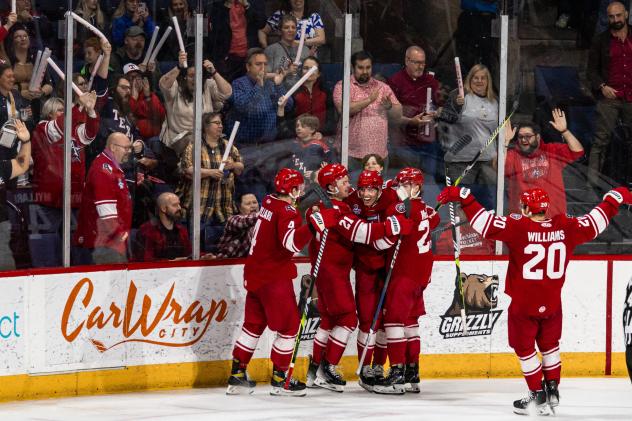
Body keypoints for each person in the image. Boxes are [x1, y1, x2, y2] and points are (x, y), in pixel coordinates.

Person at [437, 184, 632, 415]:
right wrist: (613, 199)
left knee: (524, 348)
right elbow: (594, 222)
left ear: (528, 208)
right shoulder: (565, 226)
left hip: (524, 305)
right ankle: (552, 391)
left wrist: (465, 197)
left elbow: (485, 224)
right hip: (552, 303)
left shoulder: (519, 227)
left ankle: (536, 394)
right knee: (550, 346)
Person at [226, 168, 337, 396]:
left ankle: (237, 375)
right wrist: (314, 223)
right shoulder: (286, 211)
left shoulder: (268, 202)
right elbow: (291, 244)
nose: (303, 190)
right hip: (273, 277)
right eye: (299, 187)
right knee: (289, 327)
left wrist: (306, 216)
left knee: (253, 325)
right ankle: (281, 379)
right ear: (293, 189)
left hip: (255, 275)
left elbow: (282, 218)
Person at [305, 163, 412, 392]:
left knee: (328, 320)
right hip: (332, 273)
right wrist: (394, 226)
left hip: (328, 271)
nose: (351, 186)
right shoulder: (336, 209)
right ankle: (328, 366)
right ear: (332, 187)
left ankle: (314, 370)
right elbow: (363, 233)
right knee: (348, 320)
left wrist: (396, 188)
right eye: (344, 182)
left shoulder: (330, 205)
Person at [371, 167, 440, 395]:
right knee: (411, 324)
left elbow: (387, 240)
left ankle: (397, 373)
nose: (399, 189)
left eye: (405, 185)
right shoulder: (429, 210)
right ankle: (413, 372)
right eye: (399, 185)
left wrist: (373, 245)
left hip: (403, 275)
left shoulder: (398, 208)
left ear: (417, 187)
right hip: (421, 277)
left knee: (393, 323)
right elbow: (435, 218)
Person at [344, 169, 400, 392]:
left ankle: (378, 365)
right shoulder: (351, 201)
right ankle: (365, 367)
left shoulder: (391, 198)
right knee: (368, 321)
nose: (366, 194)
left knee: (386, 321)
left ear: (379, 189)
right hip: (365, 268)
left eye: (371, 189)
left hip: (388, 269)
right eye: (363, 189)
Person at [30, 93, 99, 267]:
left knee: (77, 246)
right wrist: (76, 106)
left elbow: (90, 134)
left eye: (65, 111)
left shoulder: (74, 129)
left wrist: (90, 112)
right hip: (49, 200)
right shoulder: (43, 128)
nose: (64, 113)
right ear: (50, 113)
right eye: (61, 110)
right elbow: (60, 127)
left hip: (74, 198)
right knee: (47, 247)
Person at [227, 48, 292, 198]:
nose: (263, 68)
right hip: (246, 147)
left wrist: (278, 85)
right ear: (248, 67)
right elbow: (247, 108)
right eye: (258, 64)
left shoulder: (272, 84)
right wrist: (259, 85)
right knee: (248, 191)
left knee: (268, 190)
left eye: (265, 64)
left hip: (268, 147)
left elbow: (288, 106)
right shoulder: (239, 84)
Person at [177, 112, 244, 252]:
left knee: (223, 248)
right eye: (216, 123)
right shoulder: (194, 146)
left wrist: (232, 165)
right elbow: (187, 169)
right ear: (206, 127)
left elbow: (240, 167)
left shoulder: (228, 146)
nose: (220, 126)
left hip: (223, 206)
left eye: (221, 123)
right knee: (198, 248)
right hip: (201, 206)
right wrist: (210, 172)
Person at [438, 63, 498, 210]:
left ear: (488, 81)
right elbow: (445, 118)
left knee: (487, 205)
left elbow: (498, 130)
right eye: (475, 77)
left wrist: (498, 153)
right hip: (461, 161)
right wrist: (456, 105)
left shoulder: (494, 102)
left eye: (483, 78)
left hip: (487, 161)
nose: (479, 81)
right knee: (463, 205)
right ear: (469, 79)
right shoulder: (460, 96)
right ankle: (462, 233)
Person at [504, 109, 584, 217]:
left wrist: (565, 131)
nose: (523, 140)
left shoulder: (551, 150)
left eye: (528, 136)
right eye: (520, 137)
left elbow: (577, 151)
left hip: (552, 217)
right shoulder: (514, 154)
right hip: (524, 219)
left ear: (537, 137)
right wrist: (505, 142)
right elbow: (499, 167)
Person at [587, 1, 632, 187]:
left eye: (618, 15)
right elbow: (590, 71)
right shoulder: (601, 39)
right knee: (600, 141)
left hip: (630, 96)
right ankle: (590, 184)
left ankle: (628, 182)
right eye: (611, 16)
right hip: (610, 96)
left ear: (626, 15)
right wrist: (602, 86)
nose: (615, 20)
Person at [333, 51, 401, 173]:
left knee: (378, 192)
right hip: (350, 155)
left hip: (378, 157)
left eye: (368, 67)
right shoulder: (343, 86)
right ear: (353, 68)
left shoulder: (383, 87)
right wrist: (369, 100)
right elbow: (343, 109)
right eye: (360, 67)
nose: (365, 71)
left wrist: (390, 107)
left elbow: (398, 115)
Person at [74, 132, 134, 265]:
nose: (129, 152)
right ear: (113, 147)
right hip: (106, 244)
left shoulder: (111, 167)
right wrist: (118, 234)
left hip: (111, 242)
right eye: (126, 148)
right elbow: (106, 210)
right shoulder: (103, 169)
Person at [159, 51, 232, 156]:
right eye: (191, 76)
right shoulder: (176, 87)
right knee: (195, 144)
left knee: (226, 148)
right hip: (180, 139)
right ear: (185, 77)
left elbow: (227, 93)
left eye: (198, 75)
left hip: (206, 137)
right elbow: (163, 85)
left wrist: (214, 72)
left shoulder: (207, 85)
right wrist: (179, 67)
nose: (195, 79)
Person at [387, 46, 442, 179]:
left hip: (428, 143)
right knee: (407, 183)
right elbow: (390, 115)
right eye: (417, 62)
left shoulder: (431, 82)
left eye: (423, 63)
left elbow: (441, 107)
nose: (420, 66)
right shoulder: (394, 82)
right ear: (407, 61)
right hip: (404, 143)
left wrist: (437, 113)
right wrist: (410, 121)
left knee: (428, 182)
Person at [205, 0, 267, 82]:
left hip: (249, 56)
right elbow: (215, 31)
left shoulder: (253, 2)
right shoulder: (218, 4)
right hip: (227, 57)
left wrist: (246, 5)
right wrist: (226, 6)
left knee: (250, 87)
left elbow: (261, 22)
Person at [0, 118, 31, 270]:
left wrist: (25, 141)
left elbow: (21, 164)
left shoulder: (1, 166)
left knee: (6, 267)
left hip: (1, 228)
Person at [136, 192, 191, 262]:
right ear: (163, 208)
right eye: (175, 205)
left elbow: (190, 253)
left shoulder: (182, 230)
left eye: (179, 204)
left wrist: (203, 256)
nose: (179, 208)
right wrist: (171, 262)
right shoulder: (148, 230)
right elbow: (146, 261)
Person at [264, 14, 309, 89]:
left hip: (301, 93)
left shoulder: (305, 50)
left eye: (293, 27)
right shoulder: (271, 50)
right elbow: (264, 75)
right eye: (286, 27)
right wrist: (287, 72)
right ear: (280, 31)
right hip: (279, 91)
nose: (290, 30)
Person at [258, 0, 326, 50]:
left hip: (310, 58)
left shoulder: (314, 16)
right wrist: (265, 48)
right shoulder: (280, 15)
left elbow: (322, 39)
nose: (297, 0)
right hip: (286, 57)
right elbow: (262, 31)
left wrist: (299, 43)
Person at [212, 193, 259, 259]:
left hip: (248, 262)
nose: (253, 206)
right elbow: (246, 221)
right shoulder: (232, 220)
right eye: (248, 204)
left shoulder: (261, 222)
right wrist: (266, 213)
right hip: (225, 262)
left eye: (255, 202)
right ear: (239, 208)